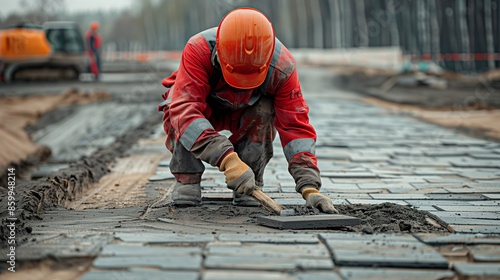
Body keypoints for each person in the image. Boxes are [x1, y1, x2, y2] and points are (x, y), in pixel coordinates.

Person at [158, 8, 338, 214]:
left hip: (249, 112)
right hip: (205, 106)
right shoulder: (198, 49)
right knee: (176, 105)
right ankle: (187, 179)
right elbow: (185, 110)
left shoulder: (282, 67)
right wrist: (227, 159)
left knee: (265, 109)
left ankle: (249, 178)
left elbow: (295, 126)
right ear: (221, 55)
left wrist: (309, 186)